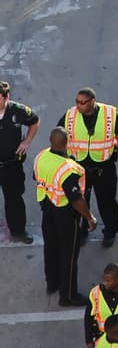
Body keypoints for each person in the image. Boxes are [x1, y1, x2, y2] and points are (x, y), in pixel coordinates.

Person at [59, 86, 118, 246]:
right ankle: (82, 231)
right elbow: (58, 135)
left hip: (104, 168)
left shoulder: (110, 113)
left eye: (82, 102)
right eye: (77, 101)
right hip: (79, 168)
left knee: (107, 202)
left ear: (92, 101)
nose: (78, 105)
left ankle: (110, 231)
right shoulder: (70, 115)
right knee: (80, 201)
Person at [34, 127, 95, 304]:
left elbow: (36, 177)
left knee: (50, 248)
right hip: (65, 215)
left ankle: (52, 283)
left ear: (50, 141)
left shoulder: (41, 156)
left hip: (47, 209)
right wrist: (89, 218)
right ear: (67, 143)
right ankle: (68, 296)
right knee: (69, 255)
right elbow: (76, 199)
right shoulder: (68, 169)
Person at [0, 80, 38, 242]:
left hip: (11, 165)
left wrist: (27, 141)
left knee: (14, 200)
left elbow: (34, 121)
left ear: (6, 97)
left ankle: (18, 231)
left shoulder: (18, 111)